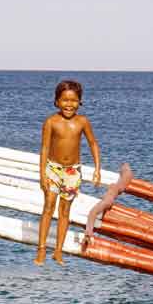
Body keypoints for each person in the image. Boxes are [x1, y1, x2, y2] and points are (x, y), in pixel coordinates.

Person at [34, 80, 101, 266]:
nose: (69, 104)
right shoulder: (51, 122)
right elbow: (45, 148)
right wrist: (42, 175)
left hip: (72, 172)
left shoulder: (83, 122)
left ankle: (58, 251)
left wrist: (97, 169)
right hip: (53, 169)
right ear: (57, 101)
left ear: (80, 102)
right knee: (48, 206)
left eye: (73, 100)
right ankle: (41, 249)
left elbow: (93, 144)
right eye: (64, 100)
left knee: (64, 211)